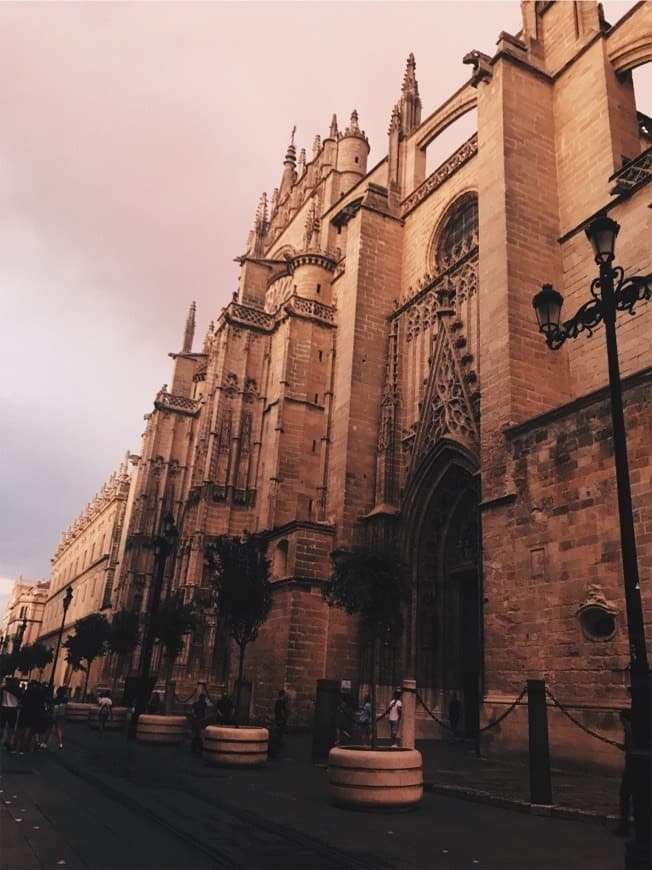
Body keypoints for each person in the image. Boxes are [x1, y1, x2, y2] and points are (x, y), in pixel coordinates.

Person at [615, 707, 633, 835]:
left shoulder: (630, 731)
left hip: (632, 768)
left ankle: (624, 826)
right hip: (634, 767)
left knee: (624, 795)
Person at [1, 677, 21, 751]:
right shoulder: (17, 690)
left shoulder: (3, 689)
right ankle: (9, 741)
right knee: (11, 726)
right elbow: (20, 699)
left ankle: (2, 738)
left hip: (4, 708)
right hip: (13, 710)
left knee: (2, 725)